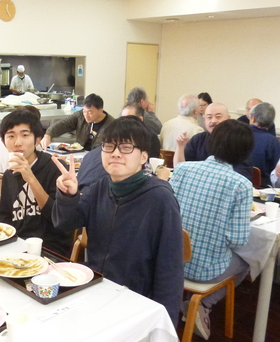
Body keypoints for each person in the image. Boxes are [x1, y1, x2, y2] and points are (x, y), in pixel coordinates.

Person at [52, 116, 184, 325]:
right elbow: (65, 223)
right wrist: (69, 196)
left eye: (125, 147)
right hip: (95, 288)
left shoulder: (160, 199)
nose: (115, 153)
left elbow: (170, 269)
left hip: (135, 300)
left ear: (143, 156)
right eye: (109, 146)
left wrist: (164, 323)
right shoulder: (100, 186)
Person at [169, 119, 253, 340]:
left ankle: (187, 302)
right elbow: (237, 240)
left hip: (170, 260)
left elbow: (167, 213)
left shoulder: (183, 169)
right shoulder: (241, 184)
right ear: (245, 152)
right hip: (205, 271)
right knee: (248, 261)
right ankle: (203, 303)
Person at [0, 109, 72, 256]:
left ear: (37, 140)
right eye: (11, 136)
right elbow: (5, 217)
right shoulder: (8, 175)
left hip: (50, 249)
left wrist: (31, 178)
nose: (17, 142)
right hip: (17, 247)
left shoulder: (55, 168)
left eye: (25, 135)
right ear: (3, 142)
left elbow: (59, 218)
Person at [174, 102, 253, 181]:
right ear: (204, 119)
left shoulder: (237, 141)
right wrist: (180, 146)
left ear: (228, 119)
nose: (213, 121)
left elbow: (242, 174)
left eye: (218, 117)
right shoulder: (198, 139)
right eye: (209, 117)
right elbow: (181, 169)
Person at [41, 93, 114, 151]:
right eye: (84, 111)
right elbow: (64, 124)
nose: (86, 115)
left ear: (101, 110)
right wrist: (48, 134)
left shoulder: (111, 125)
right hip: (79, 153)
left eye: (90, 112)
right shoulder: (80, 115)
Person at [249, 102, 280, 187]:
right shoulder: (273, 142)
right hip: (263, 188)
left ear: (253, 118)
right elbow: (278, 170)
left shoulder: (238, 135)